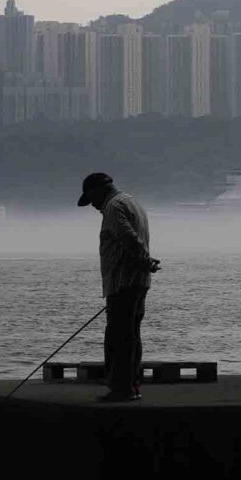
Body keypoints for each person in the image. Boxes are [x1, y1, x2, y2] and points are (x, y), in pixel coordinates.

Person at [77, 172, 160, 402]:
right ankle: (132, 386)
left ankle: (121, 388)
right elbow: (134, 239)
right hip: (137, 281)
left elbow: (127, 237)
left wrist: (144, 260)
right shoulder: (132, 202)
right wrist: (147, 262)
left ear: (97, 190)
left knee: (119, 337)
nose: (92, 205)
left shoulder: (113, 207)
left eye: (91, 199)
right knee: (132, 335)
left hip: (123, 282)